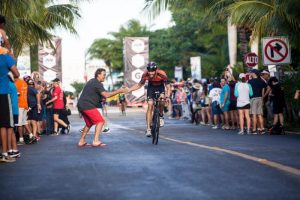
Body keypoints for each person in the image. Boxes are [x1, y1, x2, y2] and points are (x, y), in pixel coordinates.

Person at [77, 68, 127, 147]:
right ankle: (95, 141)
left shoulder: (92, 81)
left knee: (89, 123)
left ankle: (81, 141)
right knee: (100, 121)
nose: (105, 76)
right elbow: (106, 95)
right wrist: (119, 90)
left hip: (81, 105)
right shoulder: (97, 83)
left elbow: (101, 95)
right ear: (98, 75)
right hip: (87, 105)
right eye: (104, 75)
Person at [127, 62, 171, 137]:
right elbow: (139, 85)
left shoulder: (162, 74)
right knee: (150, 105)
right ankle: (148, 129)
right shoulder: (145, 74)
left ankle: (160, 115)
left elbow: (168, 87)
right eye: (149, 70)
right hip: (151, 88)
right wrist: (129, 90)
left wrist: (167, 96)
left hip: (160, 88)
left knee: (161, 101)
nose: (151, 72)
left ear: (156, 70)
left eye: (152, 71)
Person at [0, 53, 19, 163]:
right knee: (5, 125)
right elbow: (16, 73)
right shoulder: (5, 57)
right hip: (3, 93)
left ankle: (4, 153)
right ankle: (5, 154)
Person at [248, 69, 267, 134]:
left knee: (254, 114)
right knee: (259, 114)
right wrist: (263, 99)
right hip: (260, 98)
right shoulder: (261, 81)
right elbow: (263, 91)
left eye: (251, 73)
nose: (250, 74)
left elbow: (249, 91)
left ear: (254, 73)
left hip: (253, 99)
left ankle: (254, 129)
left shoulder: (250, 81)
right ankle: (262, 129)